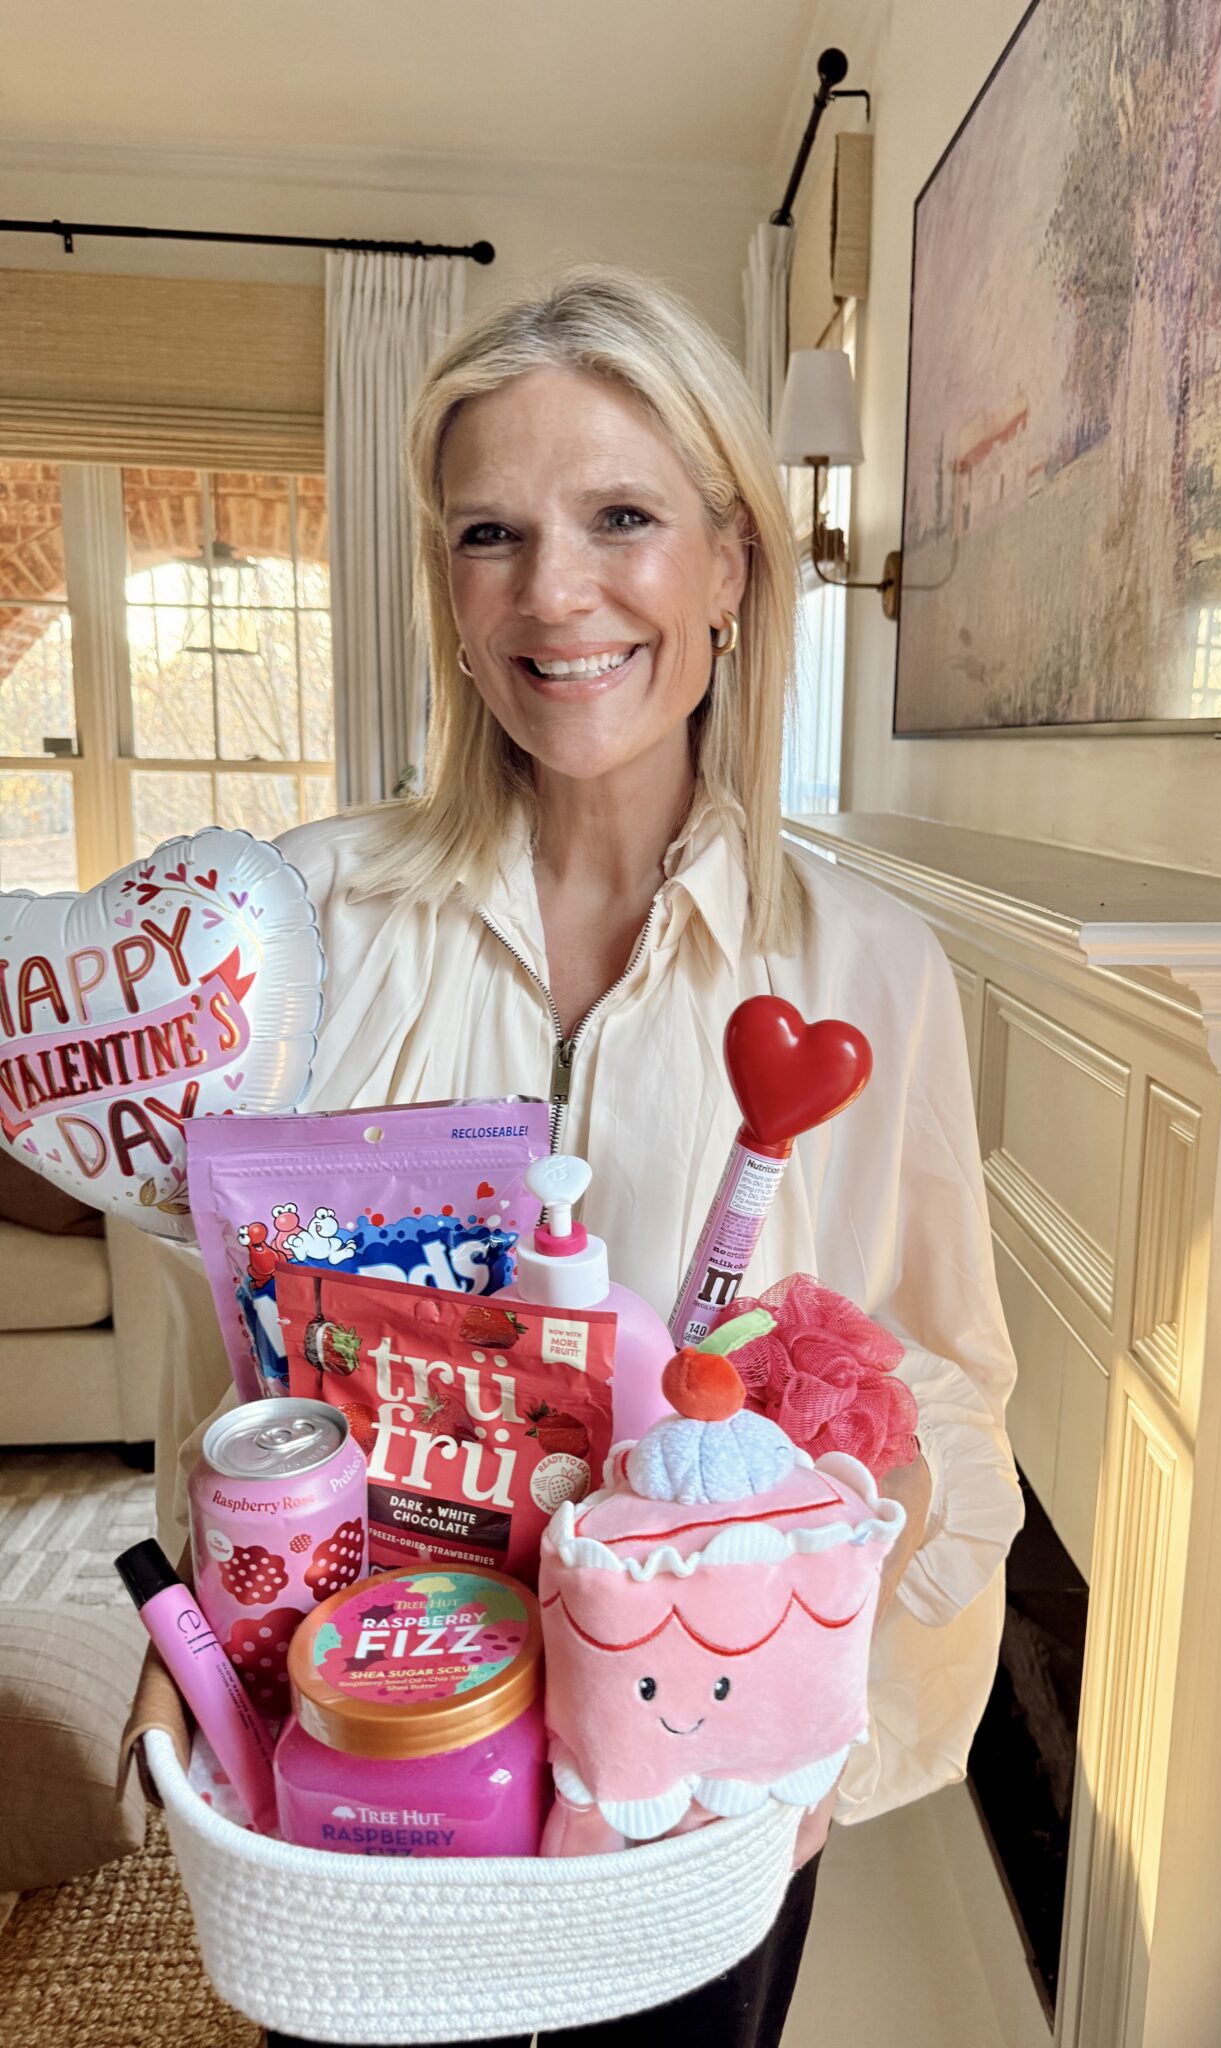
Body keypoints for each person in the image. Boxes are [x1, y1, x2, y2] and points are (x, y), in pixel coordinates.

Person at [164, 266, 1022, 2048]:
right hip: (379, 1782)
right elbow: (236, 1376)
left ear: (728, 563)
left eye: (621, 517)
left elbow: (943, 1386)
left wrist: (790, 1561)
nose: (555, 593)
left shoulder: (867, 975)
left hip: (689, 1802)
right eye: (492, 533)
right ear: (448, 596)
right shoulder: (308, 921)